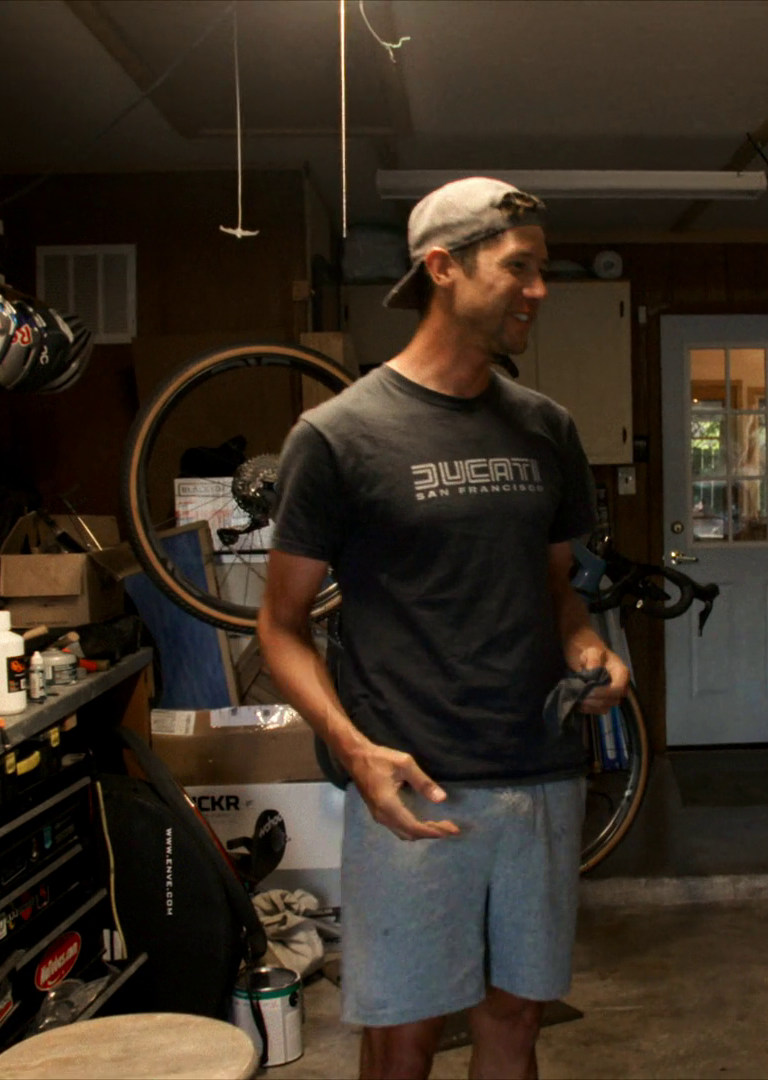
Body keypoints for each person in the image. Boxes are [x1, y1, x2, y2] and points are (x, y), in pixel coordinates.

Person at [256, 177, 630, 1080]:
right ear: (442, 267)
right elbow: (281, 627)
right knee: (404, 1037)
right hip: (414, 788)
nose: (539, 290)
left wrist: (589, 649)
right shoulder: (338, 435)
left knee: (515, 1021)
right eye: (519, 268)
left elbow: (558, 593)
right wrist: (354, 749)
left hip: (540, 778)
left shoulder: (546, 428)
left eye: (542, 270)